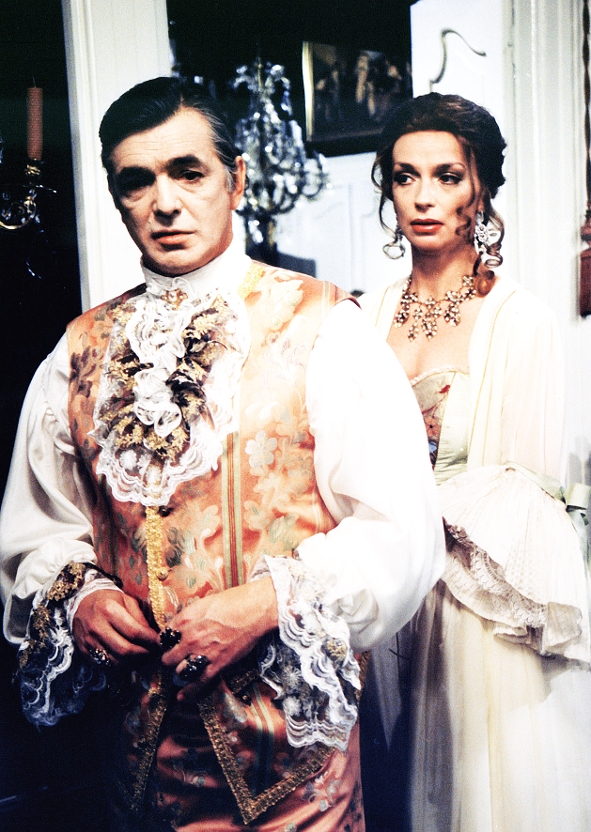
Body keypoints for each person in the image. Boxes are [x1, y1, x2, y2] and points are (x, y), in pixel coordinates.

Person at [0, 77, 444, 832]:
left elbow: (399, 530)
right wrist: (83, 599)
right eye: (137, 182)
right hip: (137, 767)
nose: (165, 203)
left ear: (235, 180)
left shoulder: (324, 328)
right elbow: (39, 527)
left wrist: (266, 603)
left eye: (188, 172)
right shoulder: (75, 353)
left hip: (292, 777)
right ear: (116, 197)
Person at [360, 92, 591, 832]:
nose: (423, 197)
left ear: (481, 187)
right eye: (405, 176)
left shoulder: (520, 321)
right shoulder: (361, 317)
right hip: (375, 598)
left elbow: (518, 503)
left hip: (469, 611)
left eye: (447, 176)